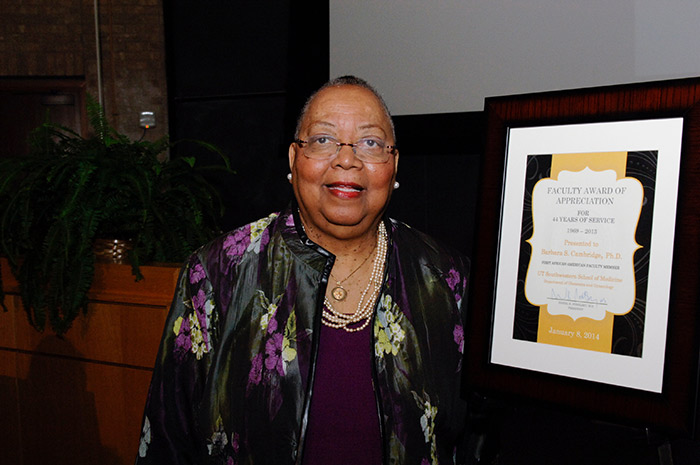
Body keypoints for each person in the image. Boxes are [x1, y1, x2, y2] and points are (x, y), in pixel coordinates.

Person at [135, 76, 470, 465]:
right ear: (294, 160)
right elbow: (168, 438)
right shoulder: (218, 273)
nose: (347, 159)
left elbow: (472, 436)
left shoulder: (446, 277)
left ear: (393, 167)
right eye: (324, 140)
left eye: (371, 143)